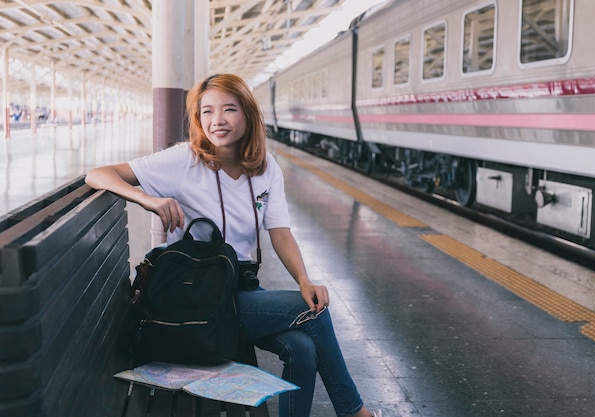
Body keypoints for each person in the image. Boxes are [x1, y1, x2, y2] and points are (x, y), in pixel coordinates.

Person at [85, 73, 382, 417]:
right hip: (199, 297)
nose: (218, 121)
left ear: (248, 115)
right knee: (315, 313)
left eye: (229, 109)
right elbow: (98, 173)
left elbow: (280, 232)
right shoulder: (184, 160)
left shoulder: (266, 168)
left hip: (241, 289)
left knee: (302, 347)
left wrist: (303, 280)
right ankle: (355, 411)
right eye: (207, 112)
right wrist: (146, 198)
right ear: (197, 119)